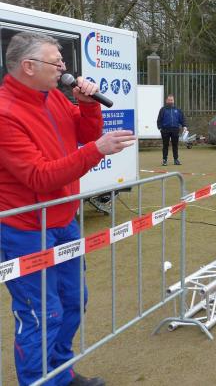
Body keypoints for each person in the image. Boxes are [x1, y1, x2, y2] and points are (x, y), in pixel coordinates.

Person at [0, 32, 136, 386]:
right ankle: (38, 380)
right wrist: (97, 150)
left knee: (74, 301)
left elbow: (85, 134)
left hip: (63, 220)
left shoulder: (54, 98)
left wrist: (88, 105)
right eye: (56, 61)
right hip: (26, 229)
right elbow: (39, 177)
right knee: (41, 313)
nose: (63, 67)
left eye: (62, 61)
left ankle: (60, 373)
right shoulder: (5, 113)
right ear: (28, 67)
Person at [156, 94, 185, 165]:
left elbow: (182, 119)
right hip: (165, 130)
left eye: (171, 100)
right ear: (166, 101)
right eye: (169, 100)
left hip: (175, 129)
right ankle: (164, 160)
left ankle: (176, 160)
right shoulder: (163, 110)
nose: (170, 101)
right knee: (165, 145)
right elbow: (159, 119)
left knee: (175, 145)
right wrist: (160, 127)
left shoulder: (177, 110)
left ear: (173, 101)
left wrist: (184, 125)